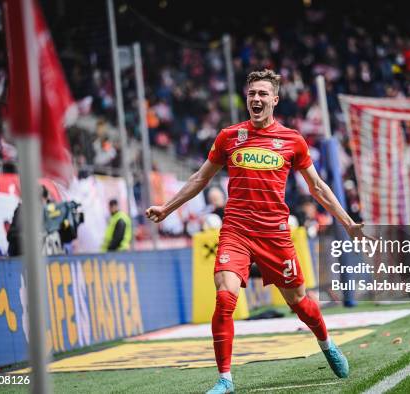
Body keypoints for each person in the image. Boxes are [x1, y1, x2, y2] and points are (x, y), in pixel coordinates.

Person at [146, 69, 364, 394]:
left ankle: (327, 343)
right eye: (252, 94)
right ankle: (225, 379)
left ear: (275, 99)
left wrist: (346, 222)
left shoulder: (292, 141)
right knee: (224, 296)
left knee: (299, 300)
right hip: (236, 230)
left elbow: (317, 187)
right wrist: (167, 208)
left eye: (263, 94)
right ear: (246, 99)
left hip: (275, 235)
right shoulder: (229, 137)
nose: (256, 99)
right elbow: (199, 179)